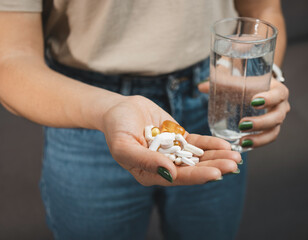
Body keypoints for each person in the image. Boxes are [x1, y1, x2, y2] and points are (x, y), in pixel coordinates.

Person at [0, 0, 290, 239]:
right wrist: (108, 110)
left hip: (212, 98)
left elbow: (263, 12)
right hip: (85, 108)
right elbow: (10, 61)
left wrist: (260, 79)